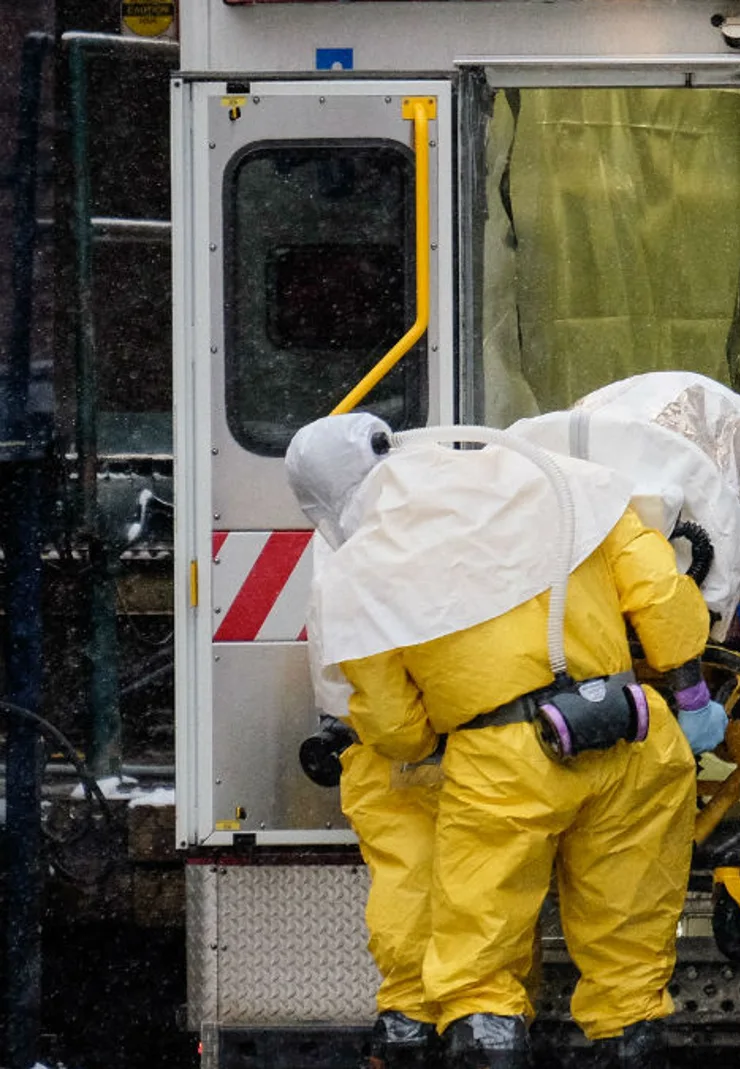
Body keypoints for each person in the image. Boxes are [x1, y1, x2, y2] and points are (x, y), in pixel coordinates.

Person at [288, 413, 731, 1069]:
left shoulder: (358, 573)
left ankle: (491, 1047)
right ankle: (629, 1044)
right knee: (630, 955)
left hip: (504, 758)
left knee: (480, 967)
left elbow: (397, 729)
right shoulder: (552, 482)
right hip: (631, 731)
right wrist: (690, 691)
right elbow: (660, 591)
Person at [294, 416, 443, 1069]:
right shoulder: (438, 502)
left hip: (384, 738)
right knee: (480, 882)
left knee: (409, 876)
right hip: (463, 736)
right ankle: (485, 1015)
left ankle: (410, 1021)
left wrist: (404, 736)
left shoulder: (342, 543)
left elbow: (346, 667)